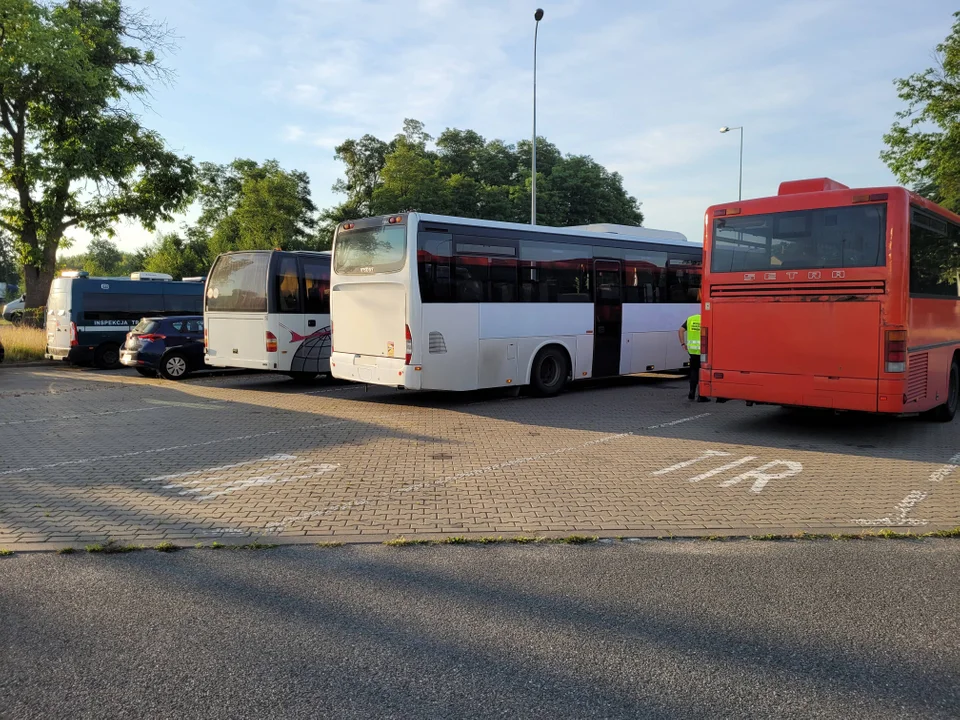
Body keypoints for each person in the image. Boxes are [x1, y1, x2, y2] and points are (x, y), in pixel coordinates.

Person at [678, 302, 708, 402]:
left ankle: (691, 393)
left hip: (692, 351)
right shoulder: (706, 319)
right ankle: (701, 396)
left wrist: (683, 344)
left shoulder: (691, 319)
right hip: (704, 352)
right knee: (703, 373)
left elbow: (680, 330)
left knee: (693, 371)